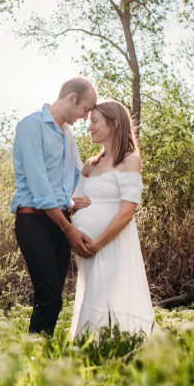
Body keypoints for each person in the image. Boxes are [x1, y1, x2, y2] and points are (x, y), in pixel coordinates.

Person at [10, 78, 99, 335]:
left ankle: (39, 356)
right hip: (33, 221)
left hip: (60, 220)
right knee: (50, 296)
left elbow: (75, 177)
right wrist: (69, 230)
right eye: (85, 109)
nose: (85, 117)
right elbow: (39, 187)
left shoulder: (67, 135)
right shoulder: (31, 126)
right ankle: (34, 359)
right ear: (71, 98)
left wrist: (72, 203)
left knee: (52, 298)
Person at [68, 99, 155, 339]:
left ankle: (115, 349)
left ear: (114, 124)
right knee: (91, 295)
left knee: (107, 296)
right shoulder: (90, 165)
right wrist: (74, 208)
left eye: (95, 121)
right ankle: (88, 349)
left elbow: (127, 211)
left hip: (111, 243)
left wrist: (98, 244)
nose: (89, 127)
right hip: (85, 247)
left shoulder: (130, 161)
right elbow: (74, 202)